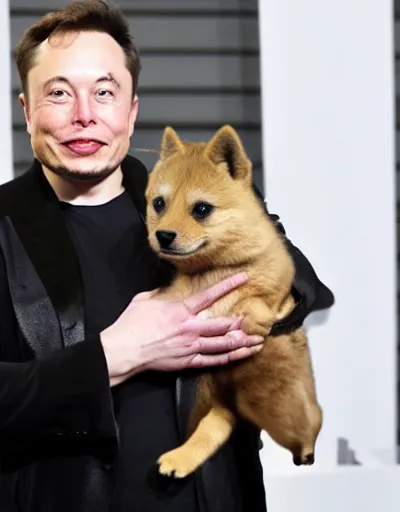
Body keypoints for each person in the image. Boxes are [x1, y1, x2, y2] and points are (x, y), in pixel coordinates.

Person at [0, 0, 335, 511]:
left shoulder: (195, 199)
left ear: (131, 110)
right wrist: (115, 354)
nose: (84, 114)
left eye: (105, 92)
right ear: (26, 110)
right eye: (59, 93)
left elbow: (305, 285)